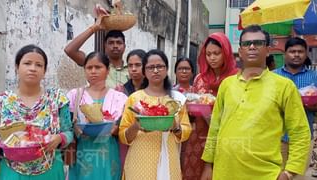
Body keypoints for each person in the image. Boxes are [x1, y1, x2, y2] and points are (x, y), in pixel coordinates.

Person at [200, 25, 311, 180]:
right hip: (223, 172)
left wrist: (289, 172)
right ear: (240, 52)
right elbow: (215, 128)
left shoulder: (284, 86)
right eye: (246, 44)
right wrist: (207, 165)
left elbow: (300, 132)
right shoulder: (227, 84)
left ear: (267, 50)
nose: (251, 47)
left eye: (258, 43)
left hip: (265, 174)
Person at [0, 44, 73, 179]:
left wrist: (59, 138)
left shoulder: (56, 99)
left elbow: (69, 132)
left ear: (44, 71)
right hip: (12, 171)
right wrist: (4, 145)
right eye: (27, 63)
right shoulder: (2, 102)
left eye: (39, 65)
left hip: (49, 169)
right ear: (17, 67)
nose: (33, 68)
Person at [118, 49, 192, 179]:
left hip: (169, 158)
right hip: (139, 159)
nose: (156, 70)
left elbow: (186, 131)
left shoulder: (176, 99)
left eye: (160, 66)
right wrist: (136, 126)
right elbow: (123, 135)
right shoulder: (134, 99)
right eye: (151, 67)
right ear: (144, 71)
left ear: (167, 69)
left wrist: (176, 126)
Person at [182, 32, 238, 180]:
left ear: (225, 53)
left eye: (217, 53)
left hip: (226, 136)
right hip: (199, 136)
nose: (212, 58)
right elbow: (194, 104)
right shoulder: (200, 78)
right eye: (208, 54)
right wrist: (190, 108)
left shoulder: (236, 79)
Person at [67, 52, 127, 180]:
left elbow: (124, 129)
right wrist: (75, 129)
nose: (93, 71)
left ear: (107, 70)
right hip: (83, 152)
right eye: (89, 68)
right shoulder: (74, 95)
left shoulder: (119, 98)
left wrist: (115, 130)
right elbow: (66, 124)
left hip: (109, 153)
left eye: (98, 67)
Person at [274, 37, 317, 178]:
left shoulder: (314, 77)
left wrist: (311, 105)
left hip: (303, 138)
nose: (296, 55)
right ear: (285, 54)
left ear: (306, 54)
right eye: (292, 51)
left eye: (300, 51)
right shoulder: (274, 77)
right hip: (276, 137)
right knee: (276, 175)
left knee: (297, 176)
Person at [64, 7, 128, 89]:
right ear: (105, 46)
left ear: (124, 46)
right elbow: (70, 50)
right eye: (111, 43)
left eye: (119, 43)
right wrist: (94, 28)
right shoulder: (97, 64)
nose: (115, 46)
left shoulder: (132, 68)